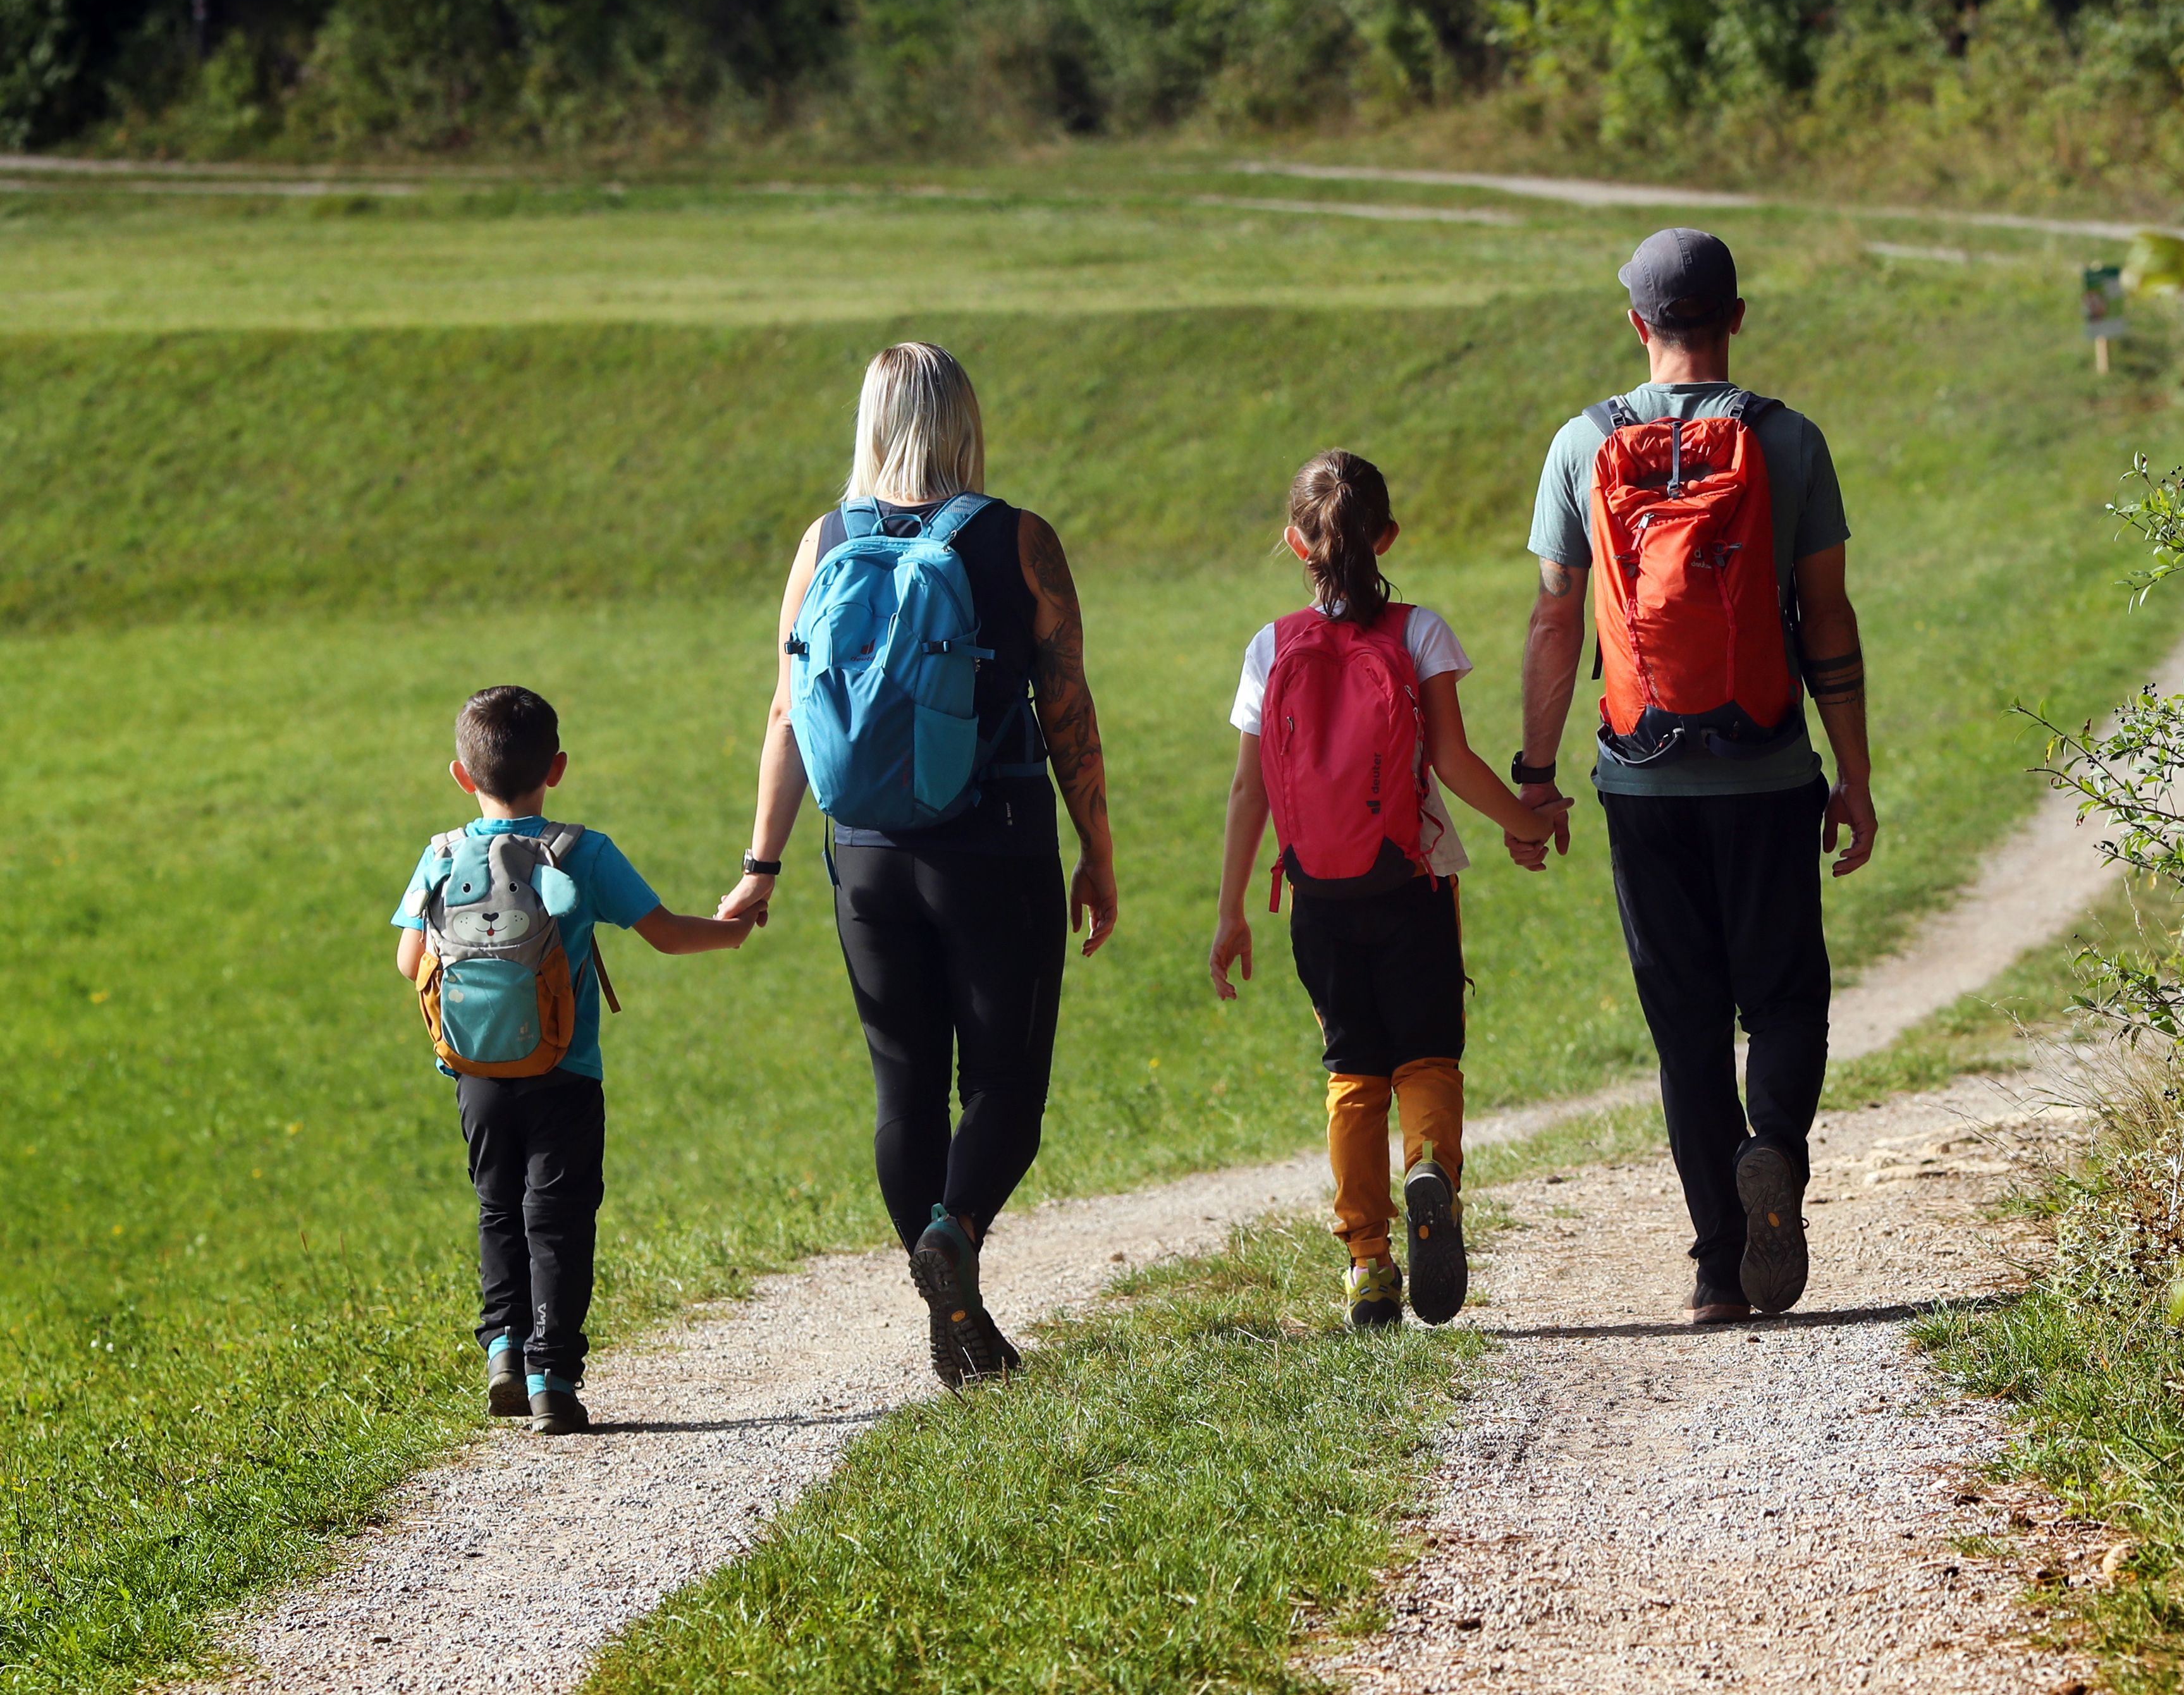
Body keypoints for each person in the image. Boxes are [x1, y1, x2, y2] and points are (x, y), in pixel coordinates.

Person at [716, 343, 1118, 1388]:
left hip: (866, 857)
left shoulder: (825, 541)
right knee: (1006, 1090)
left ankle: (951, 1292)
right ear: (964, 420)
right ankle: (956, 1236)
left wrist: (760, 861)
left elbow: (788, 710)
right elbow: (1065, 707)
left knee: (906, 1094)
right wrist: (1097, 849)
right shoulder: (1019, 539)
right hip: (995, 841)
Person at [1512, 229, 1877, 1325]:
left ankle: (1721, 1267)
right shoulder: (1789, 440)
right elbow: (1827, 615)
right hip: (1765, 766)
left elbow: (1553, 617)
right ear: (1737, 317)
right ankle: (1773, 1146)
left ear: (1638, 326)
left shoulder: (1583, 444)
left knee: (1684, 1025)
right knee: (1788, 997)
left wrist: (1536, 775)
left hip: (1642, 779)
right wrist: (1852, 776)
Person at [1208, 451, 1557, 1330]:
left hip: (1319, 897)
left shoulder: (1268, 645)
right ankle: (1429, 1166)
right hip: (1411, 881)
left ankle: (1368, 1259)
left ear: (1296, 543)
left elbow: (1249, 790)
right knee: (1426, 1053)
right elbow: (1449, 758)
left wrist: (1230, 910)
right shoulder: (1417, 631)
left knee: (1351, 1071)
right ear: (1388, 537)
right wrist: (1523, 819)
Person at [392, 685, 761, 1436]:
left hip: (477, 1076)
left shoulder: (440, 855)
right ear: (555, 768)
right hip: (565, 1073)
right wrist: (735, 928)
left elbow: (409, 961)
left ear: (462, 777)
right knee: (557, 1220)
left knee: (498, 1209)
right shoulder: (582, 851)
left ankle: (502, 1345)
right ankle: (552, 1378)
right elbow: (664, 934)